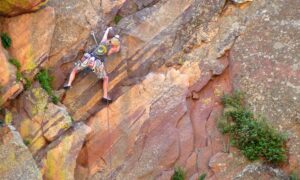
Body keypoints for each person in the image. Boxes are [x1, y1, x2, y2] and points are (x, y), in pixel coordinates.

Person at [63, 27, 121, 103]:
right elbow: (118, 48)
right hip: (97, 63)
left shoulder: (103, 42)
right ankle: (105, 96)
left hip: (89, 59)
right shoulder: (112, 49)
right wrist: (118, 39)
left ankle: (69, 84)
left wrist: (108, 29)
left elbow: (106, 33)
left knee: (75, 70)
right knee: (105, 78)